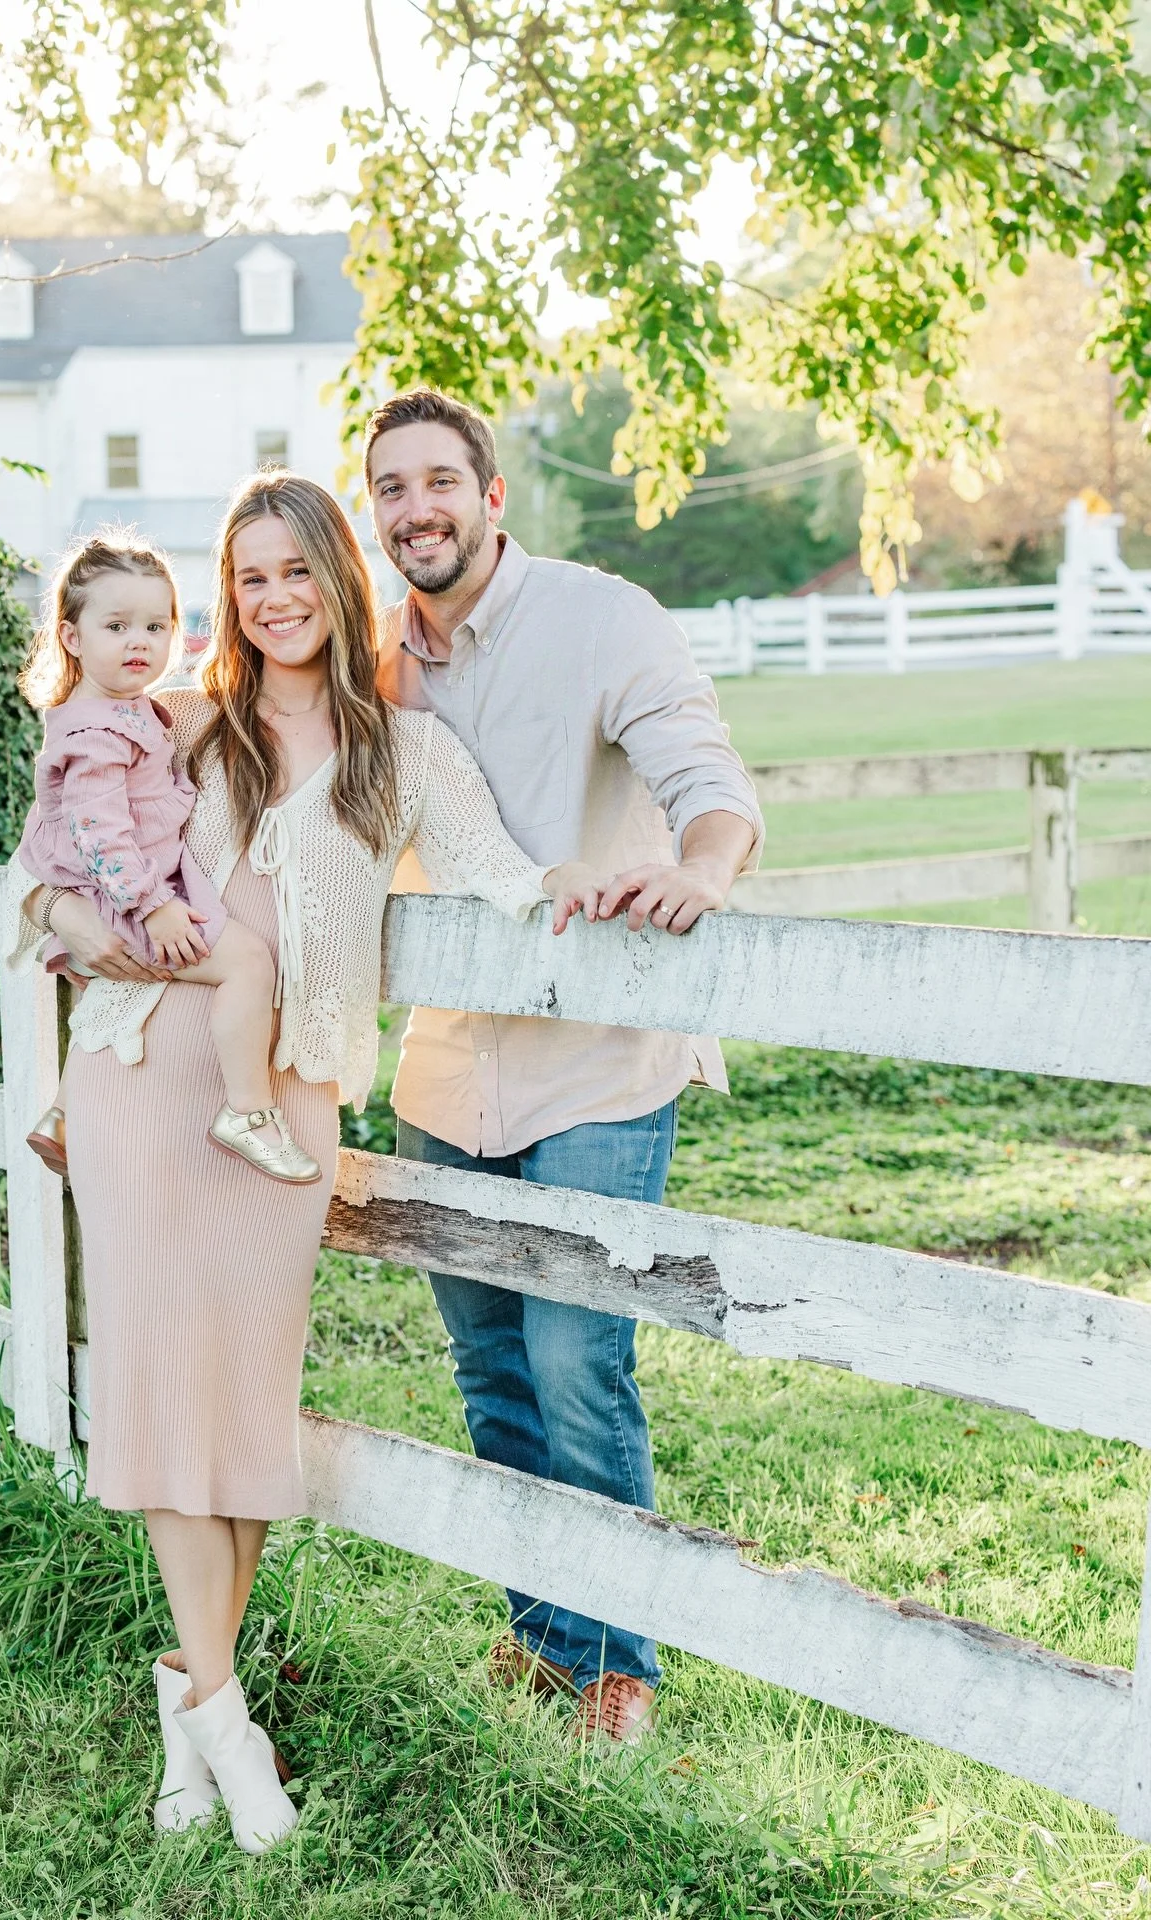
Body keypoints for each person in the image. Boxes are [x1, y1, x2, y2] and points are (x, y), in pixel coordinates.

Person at [4, 470, 608, 1851]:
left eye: (296, 572)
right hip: (149, 1079)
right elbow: (45, 851)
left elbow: (504, 872)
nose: (273, 599)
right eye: (251, 576)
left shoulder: (404, 751)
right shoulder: (182, 719)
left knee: (248, 1413)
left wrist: (572, 888)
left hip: (285, 1113)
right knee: (165, 1395)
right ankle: (228, 1722)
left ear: (341, 580)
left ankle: (186, 1698)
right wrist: (63, 915)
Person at [368, 388, 765, 1748]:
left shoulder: (602, 617)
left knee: (577, 1357)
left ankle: (620, 1664)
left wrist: (697, 872)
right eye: (391, 488)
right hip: (443, 1068)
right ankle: (545, 1633)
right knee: (488, 1366)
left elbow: (713, 784)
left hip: (600, 1062)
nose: (415, 507)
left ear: (491, 496)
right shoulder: (378, 662)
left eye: (439, 481)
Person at [14, 530, 318, 1185]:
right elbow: (98, 835)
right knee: (247, 963)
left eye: (156, 625)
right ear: (72, 637)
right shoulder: (99, 730)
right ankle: (249, 1109)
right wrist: (152, 907)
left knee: (125, 992)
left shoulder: (124, 713)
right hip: (131, 901)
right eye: (117, 626)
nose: (139, 642)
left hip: (122, 897)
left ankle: (64, 1115)